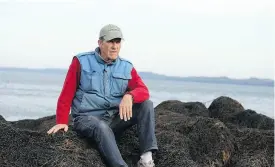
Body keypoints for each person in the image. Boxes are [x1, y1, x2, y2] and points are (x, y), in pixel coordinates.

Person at [47, 24, 158, 167]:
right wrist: (61, 121)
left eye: (118, 42)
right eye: (110, 41)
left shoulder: (126, 66)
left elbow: (143, 90)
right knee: (101, 127)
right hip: (87, 120)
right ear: (100, 43)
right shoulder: (81, 61)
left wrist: (129, 96)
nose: (114, 46)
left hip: (113, 120)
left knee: (146, 104)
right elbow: (66, 94)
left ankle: (146, 159)